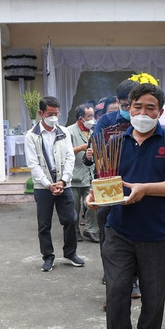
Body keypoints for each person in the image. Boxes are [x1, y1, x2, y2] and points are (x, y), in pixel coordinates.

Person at [86, 84, 165, 329]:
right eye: (138, 107)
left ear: (160, 112)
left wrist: (147, 189)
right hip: (119, 231)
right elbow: (105, 183)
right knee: (117, 292)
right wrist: (92, 198)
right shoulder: (115, 143)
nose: (143, 113)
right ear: (128, 108)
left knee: (154, 297)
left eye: (150, 108)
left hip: (157, 234)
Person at [88, 78, 142, 297]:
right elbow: (95, 151)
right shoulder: (107, 121)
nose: (128, 110)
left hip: (137, 187)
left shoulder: (144, 122)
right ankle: (110, 273)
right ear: (118, 102)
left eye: (132, 105)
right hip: (109, 186)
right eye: (124, 105)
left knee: (136, 235)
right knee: (107, 232)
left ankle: (134, 280)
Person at [24, 95, 85, 272]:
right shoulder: (31, 136)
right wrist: (48, 184)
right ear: (40, 113)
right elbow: (33, 164)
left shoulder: (63, 132)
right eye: (50, 113)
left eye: (56, 114)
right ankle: (48, 256)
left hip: (63, 184)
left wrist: (63, 180)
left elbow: (70, 157)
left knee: (71, 219)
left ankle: (70, 253)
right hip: (43, 187)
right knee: (44, 224)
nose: (54, 117)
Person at [66, 103, 98, 243]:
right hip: (74, 175)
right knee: (74, 206)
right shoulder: (69, 132)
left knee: (92, 203)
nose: (93, 118)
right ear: (80, 118)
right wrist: (81, 148)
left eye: (93, 115)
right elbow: (63, 154)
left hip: (89, 174)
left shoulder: (93, 132)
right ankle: (75, 231)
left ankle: (91, 230)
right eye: (89, 116)